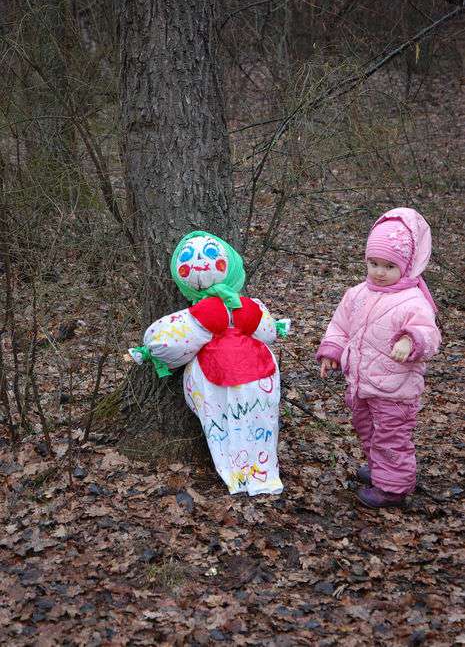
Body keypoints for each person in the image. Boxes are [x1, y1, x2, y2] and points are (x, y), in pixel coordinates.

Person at [128, 230, 290, 497]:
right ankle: (263, 474)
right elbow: (268, 331)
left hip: (219, 376)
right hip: (258, 375)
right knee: (258, 422)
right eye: (191, 258)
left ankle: (239, 477)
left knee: (225, 426)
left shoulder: (203, 314)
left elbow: (167, 341)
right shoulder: (247, 307)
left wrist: (151, 350)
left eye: (211, 256)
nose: (201, 264)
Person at [316, 208, 441, 508]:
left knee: (391, 438)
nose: (379, 272)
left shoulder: (413, 301)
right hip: (361, 384)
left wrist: (410, 340)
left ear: (407, 266)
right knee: (366, 428)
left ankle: (393, 489)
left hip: (396, 391)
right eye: (373, 264)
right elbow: (340, 326)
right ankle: (380, 471)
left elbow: (429, 334)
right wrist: (332, 351)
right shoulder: (357, 294)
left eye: (389, 266)